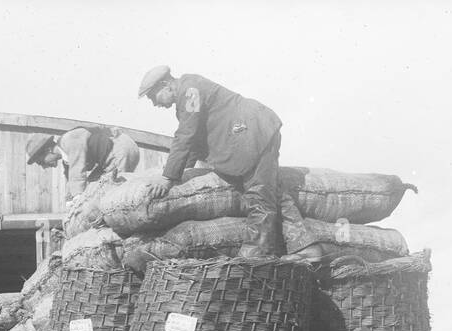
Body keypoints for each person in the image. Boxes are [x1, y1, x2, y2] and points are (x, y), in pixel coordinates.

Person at [138, 64, 306, 260]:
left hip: (254, 131)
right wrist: (186, 172)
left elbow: (185, 135)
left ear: (165, 85)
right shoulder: (187, 95)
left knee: (259, 194)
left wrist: (167, 178)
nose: (155, 104)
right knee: (272, 192)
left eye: (153, 97)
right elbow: (194, 142)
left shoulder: (190, 91)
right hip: (250, 133)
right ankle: (305, 246)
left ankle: (257, 255)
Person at [25, 127, 142, 202]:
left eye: (41, 162)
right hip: (112, 156)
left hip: (120, 150)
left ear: (48, 150)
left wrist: (77, 198)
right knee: (93, 187)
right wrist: (69, 200)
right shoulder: (67, 158)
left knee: (114, 194)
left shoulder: (69, 140)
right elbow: (70, 179)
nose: (44, 167)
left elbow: (77, 171)